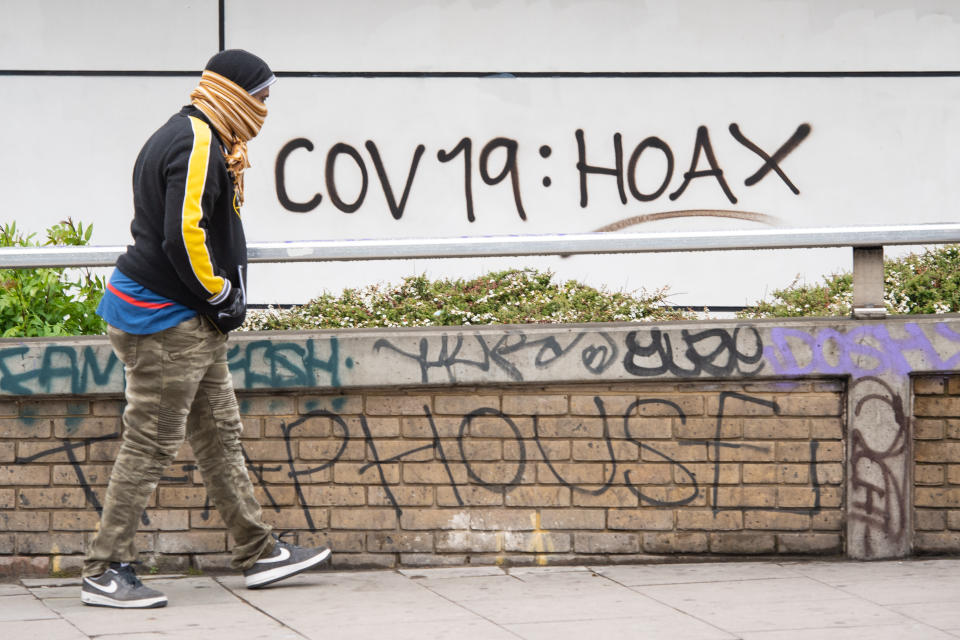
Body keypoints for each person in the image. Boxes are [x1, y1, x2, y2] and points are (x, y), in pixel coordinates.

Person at [80, 49, 330, 609]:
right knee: (150, 443)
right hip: (168, 321)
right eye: (261, 97)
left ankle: (258, 551)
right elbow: (181, 234)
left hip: (182, 319)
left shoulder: (191, 134)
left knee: (220, 435)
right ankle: (104, 568)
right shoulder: (195, 140)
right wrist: (218, 292)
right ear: (234, 93)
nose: (265, 110)